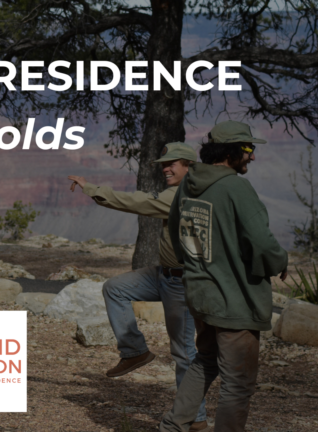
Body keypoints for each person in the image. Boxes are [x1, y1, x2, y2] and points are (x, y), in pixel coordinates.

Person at [69, 142, 208, 431]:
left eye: (172, 164)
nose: (165, 168)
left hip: (181, 281)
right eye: (163, 164)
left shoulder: (180, 195)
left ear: (189, 166)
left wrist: (91, 189)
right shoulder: (181, 190)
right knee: (115, 287)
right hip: (163, 275)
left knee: (184, 352)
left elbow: (135, 202)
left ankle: (195, 419)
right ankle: (134, 351)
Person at [160, 121, 288, 432]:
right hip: (234, 302)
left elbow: (177, 232)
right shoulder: (236, 188)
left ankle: (172, 426)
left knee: (205, 360)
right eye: (248, 149)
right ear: (230, 152)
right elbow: (261, 243)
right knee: (238, 383)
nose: (252, 156)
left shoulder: (188, 185)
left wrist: (197, 268)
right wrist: (279, 261)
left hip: (200, 295)